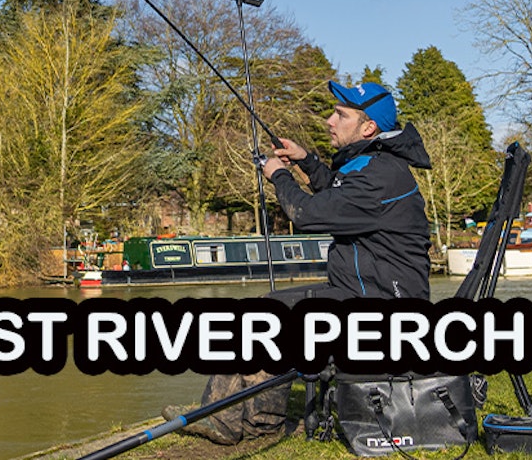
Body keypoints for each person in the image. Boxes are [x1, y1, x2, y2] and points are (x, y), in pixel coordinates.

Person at [181, 80, 431, 445]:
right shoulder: (377, 165)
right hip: (361, 294)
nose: (330, 120)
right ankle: (245, 419)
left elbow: (309, 214)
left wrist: (278, 175)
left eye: (340, 115)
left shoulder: (379, 176)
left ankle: (237, 421)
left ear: (368, 128)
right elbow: (339, 194)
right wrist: (307, 162)